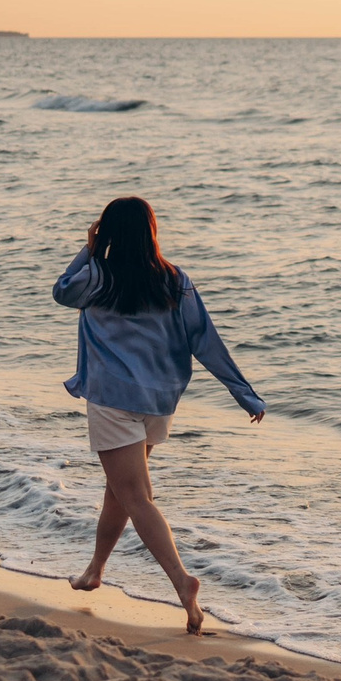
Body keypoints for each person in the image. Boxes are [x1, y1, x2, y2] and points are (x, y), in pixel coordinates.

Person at [52, 196, 264, 633]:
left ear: (107, 233)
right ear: (151, 231)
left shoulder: (97, 277)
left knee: (136, 497)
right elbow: (204, 339)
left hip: (114, 399)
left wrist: (90, 249)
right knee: (119, 490)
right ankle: (95, 570)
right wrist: (244, 393)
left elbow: (62, 290)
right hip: (160, 403)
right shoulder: (174, 280)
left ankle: (183, 582)